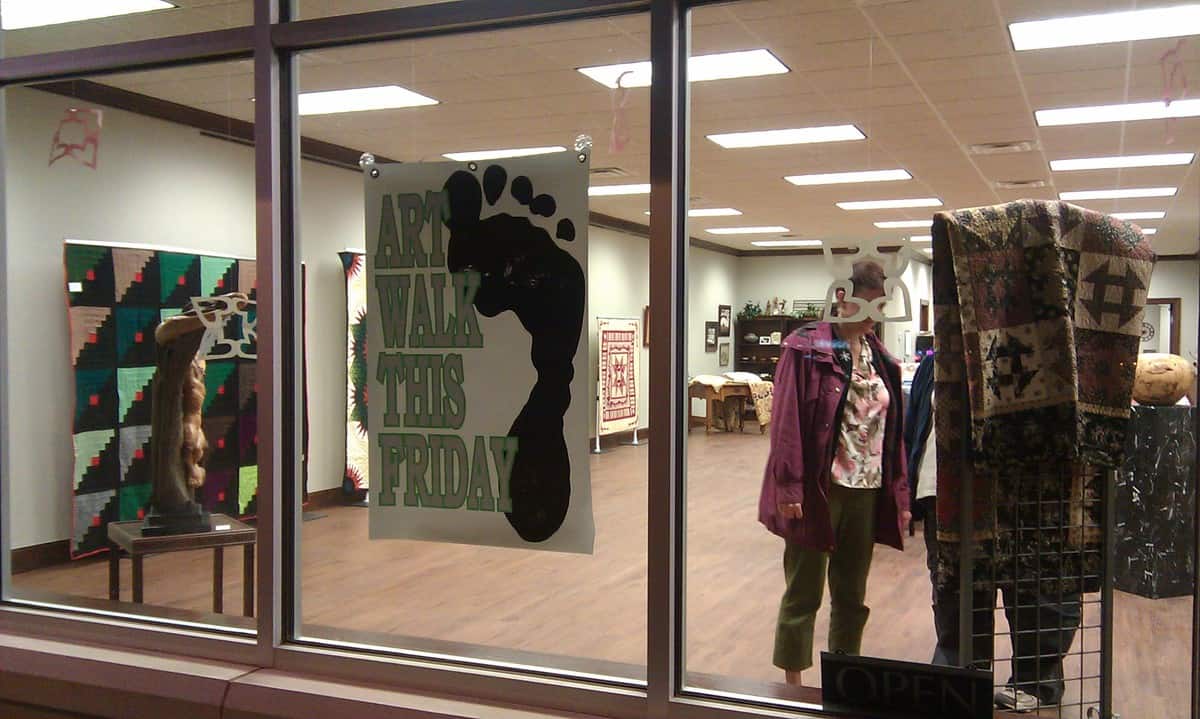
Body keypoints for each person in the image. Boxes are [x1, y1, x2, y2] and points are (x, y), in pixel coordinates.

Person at [758, 260, 911, 685]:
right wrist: (789, 485)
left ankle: (845, 680)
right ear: (843, 297)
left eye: (882, 307)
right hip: (820, 490)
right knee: (804, 590)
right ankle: (793, 688)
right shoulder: (805, 348)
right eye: (869, 304)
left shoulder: (881, 359)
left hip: (867, 488)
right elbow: (786, 421)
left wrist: (900, 495)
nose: (874, 316)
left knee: (852, 595)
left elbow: (892, 433)